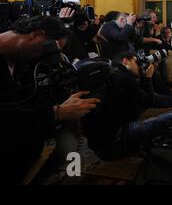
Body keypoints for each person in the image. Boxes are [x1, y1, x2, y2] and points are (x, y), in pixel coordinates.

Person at [0, 14, 101, 184]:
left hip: (23, 139)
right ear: (35, 35)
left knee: (70, 142)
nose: (45, 56)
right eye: (47, 50)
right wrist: (56, 112)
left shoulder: (21, 59)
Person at [82, 52, 172, 160]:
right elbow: (148, 101)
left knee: (151, 100)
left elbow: (143, 98)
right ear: (125, 61)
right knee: (170, 118)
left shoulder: (113, 74)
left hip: (100, 145)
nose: (140, 65)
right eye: (136, 62)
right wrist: (148, 77)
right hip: (115, 143)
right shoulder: (122, 78)